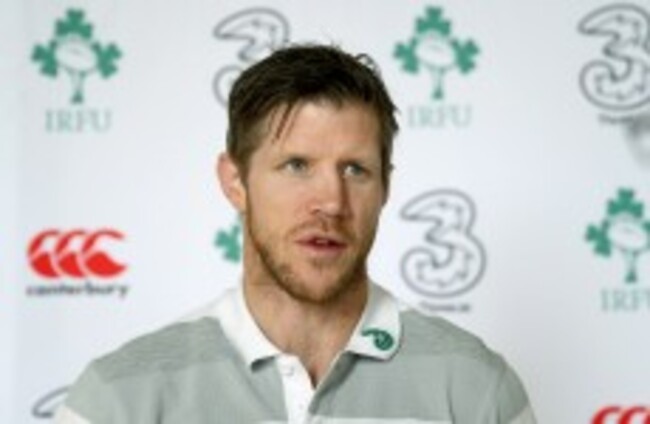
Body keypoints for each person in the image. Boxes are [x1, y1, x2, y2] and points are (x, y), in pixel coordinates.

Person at [55, 44, 536, 424]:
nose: (331, 201)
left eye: (355, 169)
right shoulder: (119, 399)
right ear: (235, 181)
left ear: (385, 187)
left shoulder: (476, 389)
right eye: (297, 165)